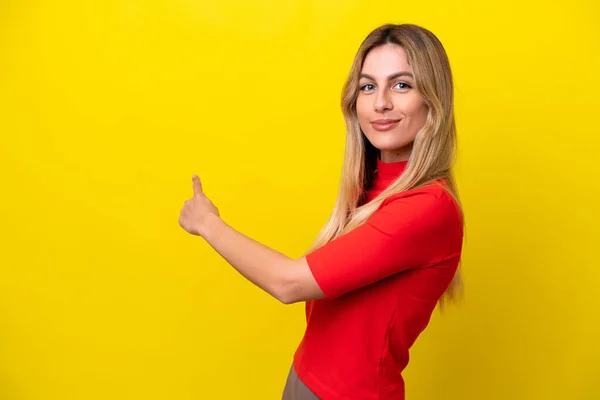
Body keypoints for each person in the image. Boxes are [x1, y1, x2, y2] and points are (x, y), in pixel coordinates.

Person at [179, 23, 465, 400]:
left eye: (401, 85)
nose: (380, 102)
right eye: (368, 86)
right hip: (304, 379)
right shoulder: (371, 188)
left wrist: (207, 223)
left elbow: (288, 282)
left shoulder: (428, 208)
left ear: (433, 100)